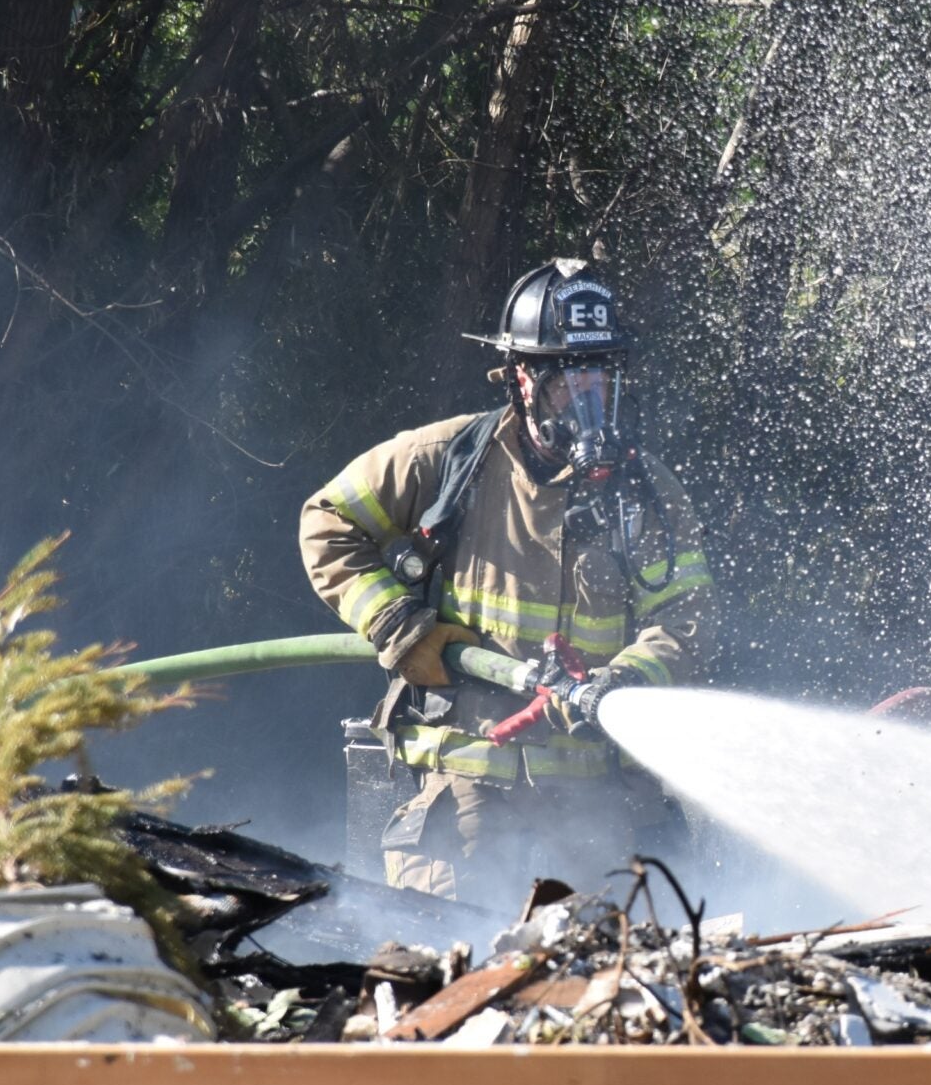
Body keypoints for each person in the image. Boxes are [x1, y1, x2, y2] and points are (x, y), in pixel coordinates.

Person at [300, 260, 713, 919]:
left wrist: (626, 678)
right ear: (523, 376)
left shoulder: (648, 494)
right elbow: (327, 519)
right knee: (452, 988)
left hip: (593, 822)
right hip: (457, 820)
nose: (589, 395)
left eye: (601, 374)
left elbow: (686, 618)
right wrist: (398, 623)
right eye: (568, 378)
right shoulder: (449, 460)